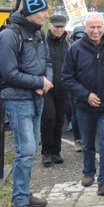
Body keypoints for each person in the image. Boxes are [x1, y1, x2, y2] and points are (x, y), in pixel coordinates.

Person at [0, 0, 53, 207]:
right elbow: (8, 73)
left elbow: (47, 62)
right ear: (30, 13)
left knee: (33, 148)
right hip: (18, 99)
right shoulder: (9, 35)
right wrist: (39, 82)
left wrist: (45, 83)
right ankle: (20, 202)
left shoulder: (38, 33)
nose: (46, 15)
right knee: (26, 150)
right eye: (42, 11)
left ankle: (24, 193)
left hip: (36, 98)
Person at [62, 13, 104, 197]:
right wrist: (85, 95)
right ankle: (88, 171)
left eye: (99, 27)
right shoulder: (75, 49)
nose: (95, 30)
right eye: (92, 27)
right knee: (87, 141)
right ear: (85, 28)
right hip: (84, 104)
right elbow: (67, 77)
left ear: (103, 28)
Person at [41, 14, 70, 167]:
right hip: (46, 87)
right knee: (48, 118)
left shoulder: (67, 42)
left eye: (61, 27)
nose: (59, 29)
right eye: (56, 26)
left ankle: (56, 151)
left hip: (63, 87)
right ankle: (46, 151)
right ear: (50, 25)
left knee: (59, 120)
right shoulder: (43, 42)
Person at [68, 25, 85, 152]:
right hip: (74, 87)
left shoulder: (92, 49)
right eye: (78, 37)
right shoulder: (71, 49)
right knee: (75, 114)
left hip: (88, 87)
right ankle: (77, 139)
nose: (80, 39)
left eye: (82, 36)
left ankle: (86, 139)